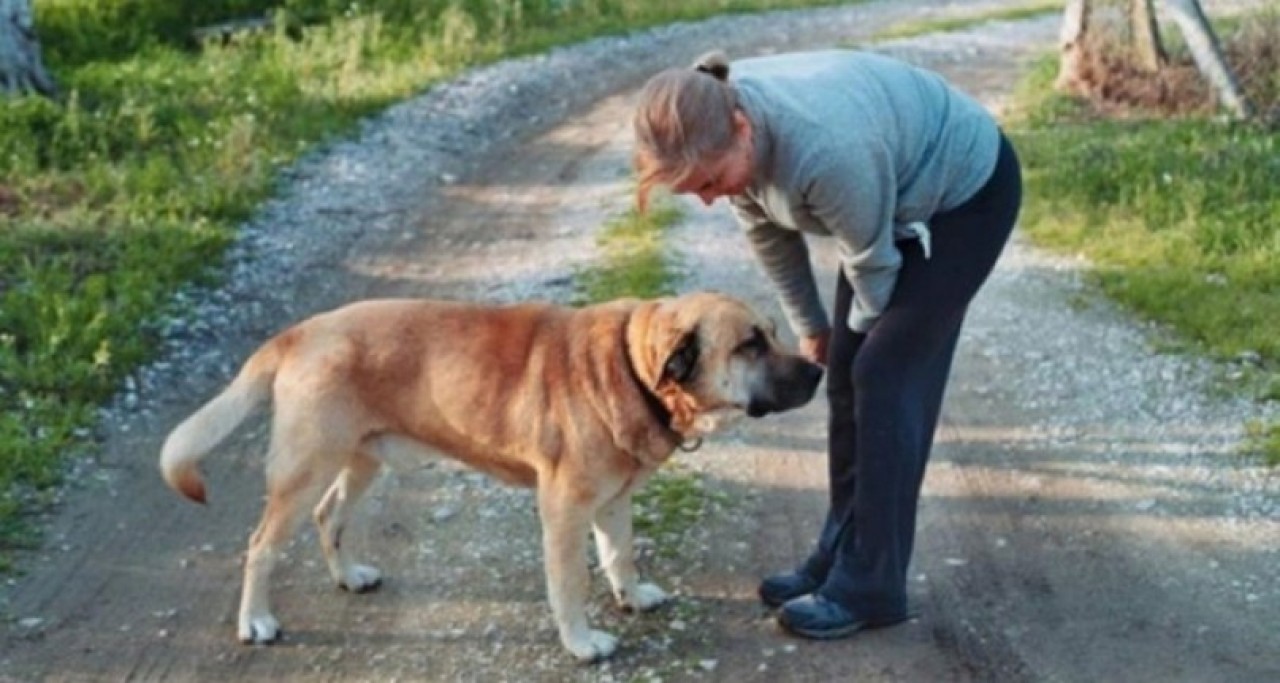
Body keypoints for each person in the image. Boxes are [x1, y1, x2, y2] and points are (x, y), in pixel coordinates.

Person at [631, 49, 1022, 640]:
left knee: (884, 375)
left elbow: (871, 263)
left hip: (963, 198)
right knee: (841, 368)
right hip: (889, 204)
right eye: (695, 193)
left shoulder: (823, 147)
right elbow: (769, 236)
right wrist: (812, 326)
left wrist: (857, 343)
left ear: (743, 130)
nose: (709, 199)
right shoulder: (727, 127)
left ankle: (872, 586)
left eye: (711, 182)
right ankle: (840, 552)